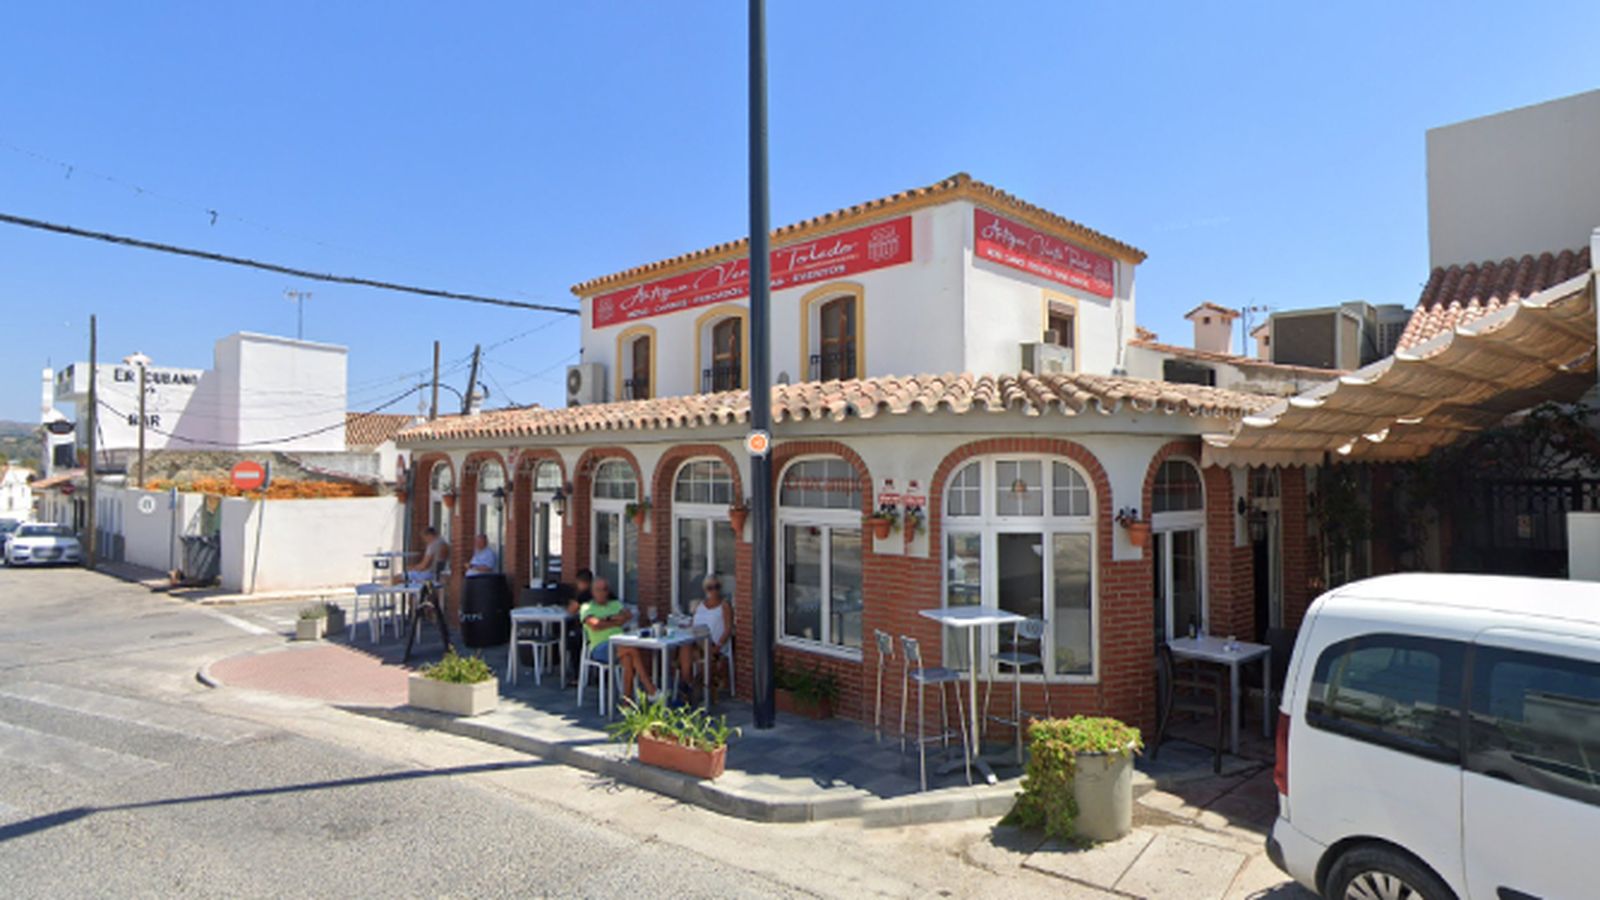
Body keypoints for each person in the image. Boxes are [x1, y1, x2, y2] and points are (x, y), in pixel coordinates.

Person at [579, 577, 659, 701]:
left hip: (621, 645)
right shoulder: (587, 607)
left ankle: (626, 702)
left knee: (628, 659)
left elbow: (628, 615)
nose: (601, 593)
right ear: (592, 591)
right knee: (631, 649)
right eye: (598, 590)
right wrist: (614, 621)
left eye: (604, 589)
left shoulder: (615, 604)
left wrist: (605, 620)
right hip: (601, 647)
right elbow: (595, 625)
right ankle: (650, 688)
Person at [677, 575, 733, 703]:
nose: (713, 591)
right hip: (698, 642)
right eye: (710, 588)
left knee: (693, 652)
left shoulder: (724, 606)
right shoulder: (699, 605)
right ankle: (688, 684)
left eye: (716, 587)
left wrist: (719, 645)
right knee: (686, 646)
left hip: (714, 643)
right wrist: (684, 626)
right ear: (705, 589)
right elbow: (692, 624)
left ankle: (688, 689)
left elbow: (728, 629)